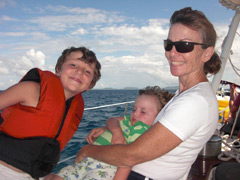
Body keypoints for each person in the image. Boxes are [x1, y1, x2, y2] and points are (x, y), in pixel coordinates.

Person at [74, 7, 222, 180]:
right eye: (169, 44)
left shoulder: (196, 101)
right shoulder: (185, 95)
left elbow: (131, 155)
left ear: (207, 53)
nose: (172, 53)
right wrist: (112, 129)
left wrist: (87, 150)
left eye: (184, 45)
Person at [0, 46, 101, 180]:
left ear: (90, 85)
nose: (79, 72)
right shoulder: (31, 90)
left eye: (87, 71)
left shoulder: (74, 107)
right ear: (59, 69)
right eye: (73, 64)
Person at [45, 86, 174, 180]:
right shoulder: (130, 121)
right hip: (84, 162)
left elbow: (127, 162)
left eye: (143, 111)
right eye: (134, 109)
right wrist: (116, 130)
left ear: (158, 117)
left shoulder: (143, 132)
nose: (134, 113)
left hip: (103, 169)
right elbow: (112, 119)